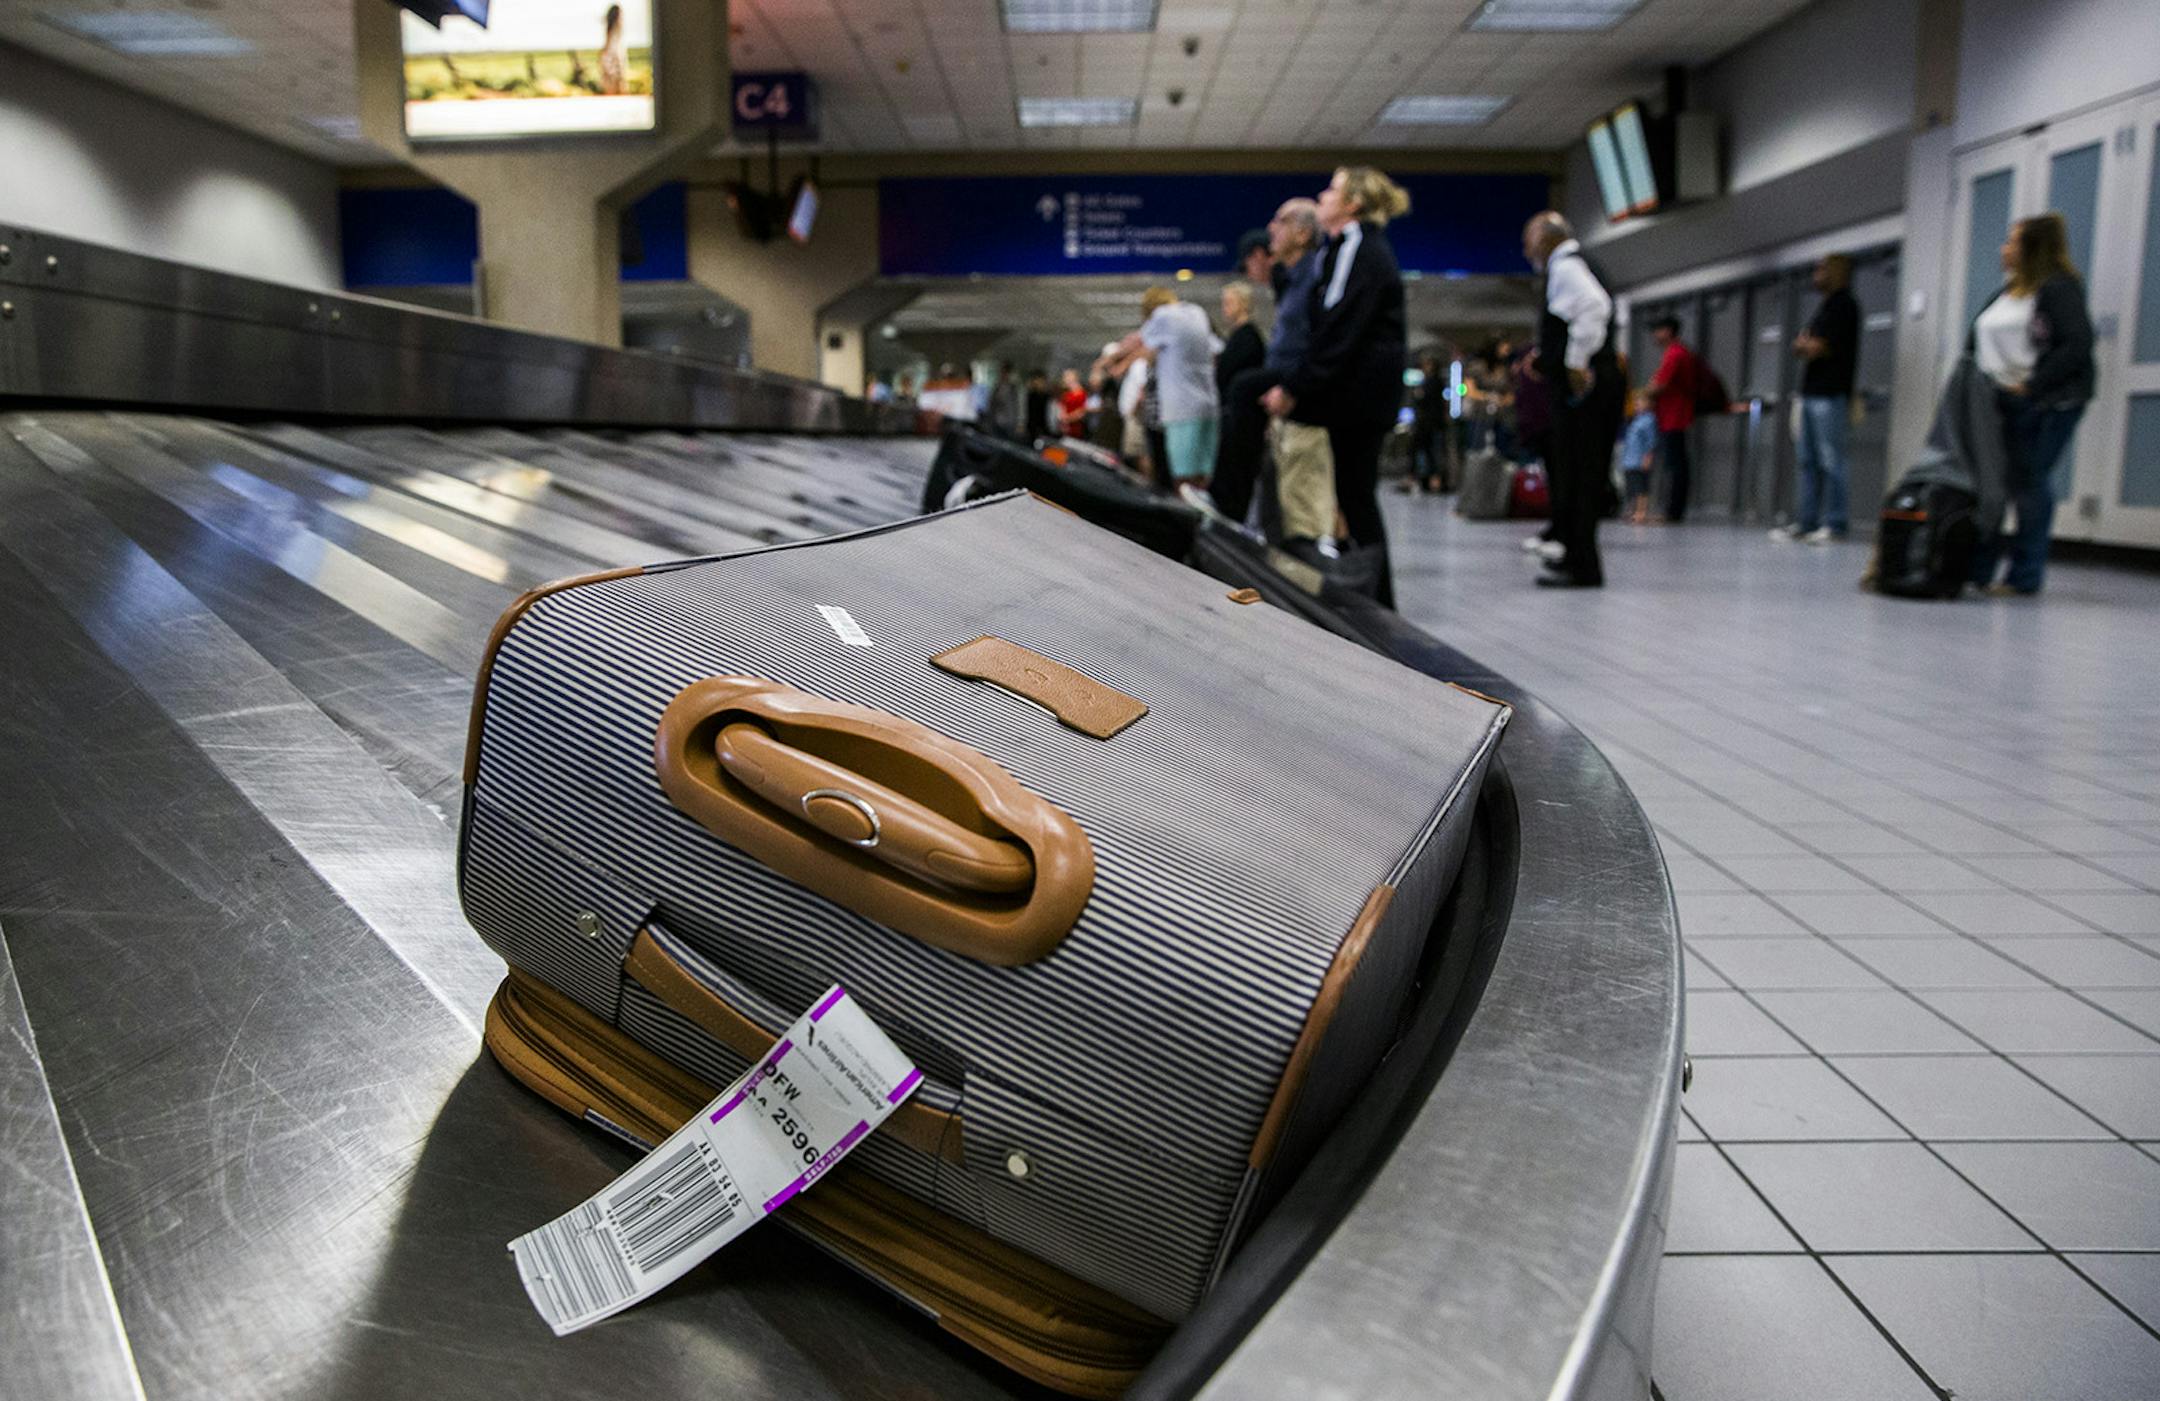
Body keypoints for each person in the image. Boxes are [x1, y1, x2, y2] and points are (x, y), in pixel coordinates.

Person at [1263, 167, 1412, 607]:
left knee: (1357, 493)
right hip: (1354, 391)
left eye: (1332, 190)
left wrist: (1294, 386)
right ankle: (1366, 586)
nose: (1323, 196)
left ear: (1353, 204)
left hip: (1360, 395)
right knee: (1353, 491)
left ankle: (1379, 599)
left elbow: (1338, 328)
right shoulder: (1344, 249)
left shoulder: (1360, 247)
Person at [1966, 213, 2095, 596]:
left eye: (2012, 241)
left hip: (2046, 403)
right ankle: (1978, 570)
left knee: (2029, 483)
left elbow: (2077, 344)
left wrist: (2033, 385)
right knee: (1991, 483)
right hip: (1998, 401)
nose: (2004, 249)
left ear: (2032, 248)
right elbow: (1975, 341)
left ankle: (2024, 576)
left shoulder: (2058, 289)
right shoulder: (2005, 294)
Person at [1521, 210, 1621, 588]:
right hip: (1590, 383)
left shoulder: (1566, 265)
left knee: (1580, 474)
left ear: (1548, 237)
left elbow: (1594, 308)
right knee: (1574, 474)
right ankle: (1575, 557)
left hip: (1587, 389)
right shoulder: (1570, 266)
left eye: (1529, 239)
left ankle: (1584, 566)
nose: (1526, 248)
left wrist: (1575, 362)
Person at [1216, 198, 1324, 525]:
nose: (1272, 229)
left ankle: (1230, 501)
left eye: (1281, 222)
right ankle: (1229, 499)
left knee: (1243, 388)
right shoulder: (1291, 281)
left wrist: (1290, 386)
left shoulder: (1313, 275)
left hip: (1300, 379)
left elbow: (1318, 339)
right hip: (1287, 376)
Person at [1103, 287, 1221, 497]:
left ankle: (1184, 527)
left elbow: (1140, 342)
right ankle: (1204, 524)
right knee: (1202, 480)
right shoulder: (1196, 312)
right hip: (1209, 406)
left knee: (1183, 482)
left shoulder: (1163, 316)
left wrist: (1111, 361)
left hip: (1182, 410)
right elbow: (1216, 349)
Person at [1773, 254, 1859, 543]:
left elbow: (1815, 347)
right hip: (1811, 393)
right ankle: (1806, 521)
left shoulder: (1844, 306)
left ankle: (1835, 523)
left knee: (1831, 459)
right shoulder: (1824, 308)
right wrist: (1805, 345)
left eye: (1821, 269)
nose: (1816, 274)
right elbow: (1802, 345)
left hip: (1830, 394)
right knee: (1807, 460)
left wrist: (1807, 345)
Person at [1643, 316, 1700, 522]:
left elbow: (1659, 385)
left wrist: (1645, 392)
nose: (1655, 336)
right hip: (1671, 416)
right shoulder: (1677, 353)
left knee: (1675, 465)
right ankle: (1672, 510)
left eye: (1658, 330)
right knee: (1675, 463)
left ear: (1668, 331)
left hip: (1674, 417)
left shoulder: (1676, 353)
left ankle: (1673, 512)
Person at [1618, 388, 1658, 524]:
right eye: (1636, 403)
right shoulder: (1635, 421)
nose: (1637, 406)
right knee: (1632, 487)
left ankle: (1641, 512)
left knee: (1641, 487)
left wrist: (1648, 457)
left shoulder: (1649, 421)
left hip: (1639, 460)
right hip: (1630, 460)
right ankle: (1632, 510)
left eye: (1641, 402)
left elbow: (1650, 441)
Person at [598, 4, 628, 96]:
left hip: (613, 55)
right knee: (615, 84)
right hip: (613, 55)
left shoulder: (613, 30)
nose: (622, 18)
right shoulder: (614, 31)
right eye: (620, 15)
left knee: (616, 84)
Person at [986, 363, 1020, 438]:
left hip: (1008, 423)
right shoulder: (997, 387)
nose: (1004, 375)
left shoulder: (1013, 388)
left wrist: (1017, 423)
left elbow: (1015, 407)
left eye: (1006, 373)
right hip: (996, 422)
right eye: (1003, 373)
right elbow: (992, 404)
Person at [1057, 368, 1089, 438]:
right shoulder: (1067, 393)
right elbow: (1062, 407)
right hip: (1064, 428)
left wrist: (1067, 419)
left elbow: (1081, 412)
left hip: (1075, 429)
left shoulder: (1081, 394)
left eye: (1066, 376)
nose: (1064, 379)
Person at [1023, 369, 1052, 441]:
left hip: (1043, 428)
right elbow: (1029, 412)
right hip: (1032, 427)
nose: (1036, 382)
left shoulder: (1047, 397)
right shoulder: (1031, 395)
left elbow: (1047, 414)